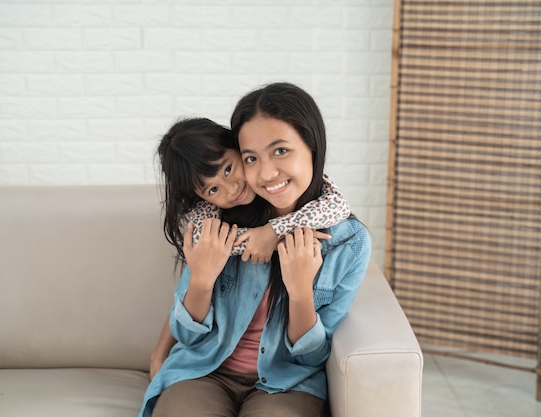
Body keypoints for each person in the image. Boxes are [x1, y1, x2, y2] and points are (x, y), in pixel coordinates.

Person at [139, 82, 371, 417]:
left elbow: (311, 357)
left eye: (280, 151)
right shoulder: (219, 224)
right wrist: (202, 280)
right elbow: (187, 335)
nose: (265, 173)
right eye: (251, 158)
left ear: (312, 144)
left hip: (287, 382)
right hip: (205, 370)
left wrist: (300, 291)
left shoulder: (348, 242)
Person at [149, 117, 351, 379]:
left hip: (283, 379)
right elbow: (185, 318)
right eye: (212, 189)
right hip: (208, 371)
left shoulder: (325, 214)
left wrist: (273, 232)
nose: (231, 189)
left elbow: (337, 205)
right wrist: (159, 354)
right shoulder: (211, 228)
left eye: (229, 169)